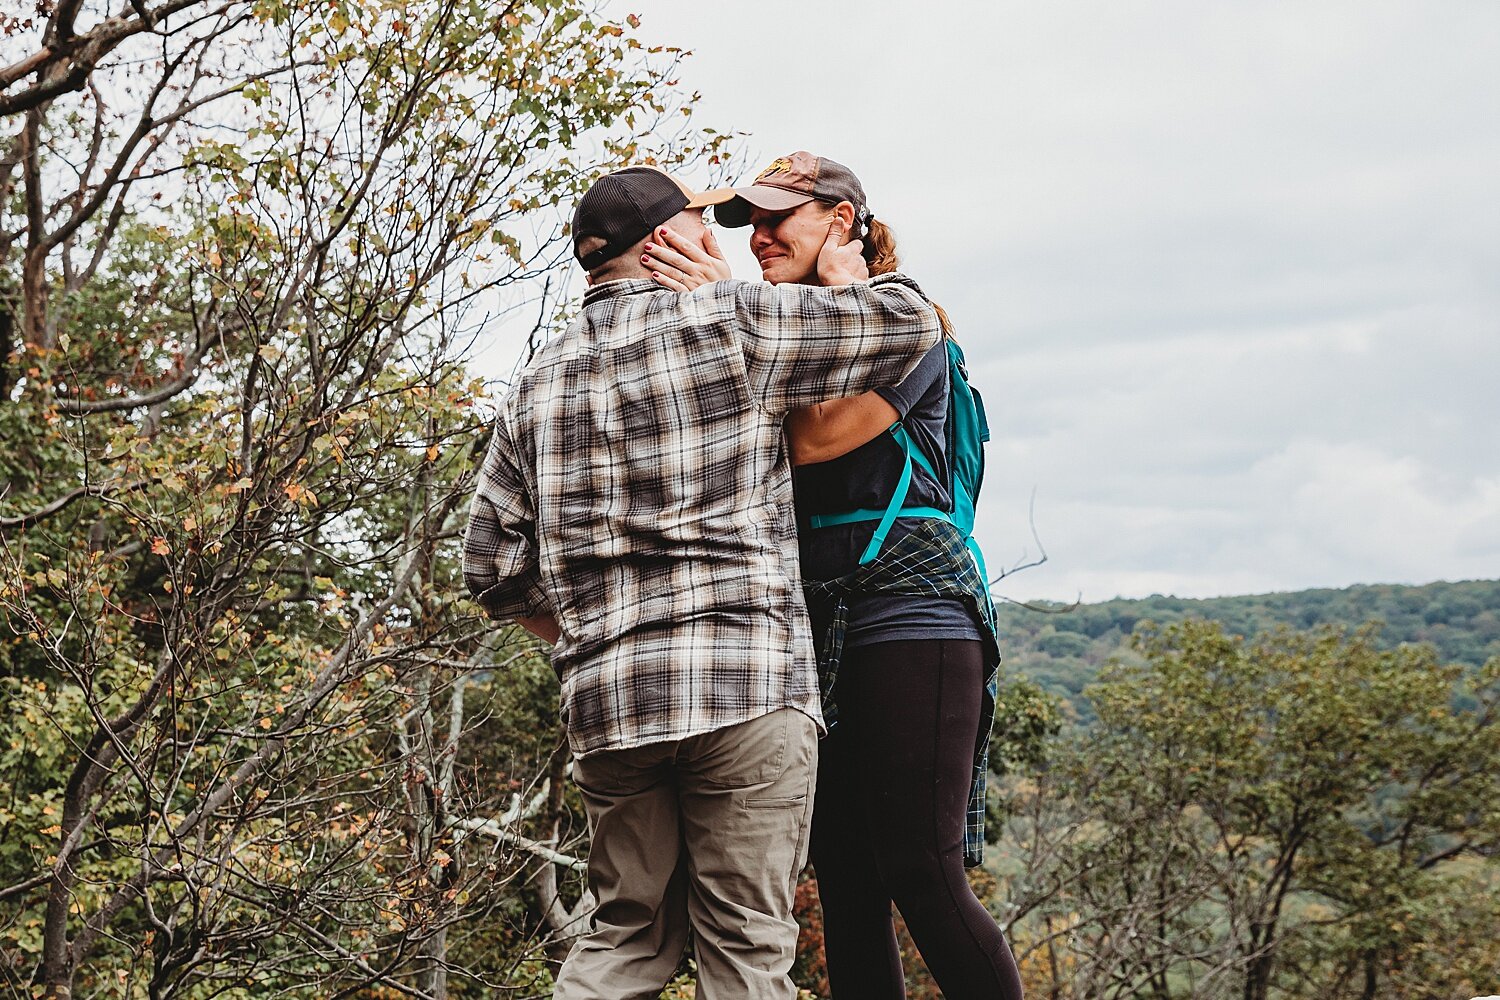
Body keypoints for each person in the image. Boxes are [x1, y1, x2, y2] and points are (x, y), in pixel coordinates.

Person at [461, 164, 945, 1000]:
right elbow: (911, 324)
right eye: (702, 225)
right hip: (745, 688)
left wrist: (586, 631)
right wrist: (841, 269)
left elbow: (490, 566)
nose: (719, 243)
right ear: (663, 245)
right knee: (747, 948)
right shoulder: (729, 318)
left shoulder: (534, 381)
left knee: (624, 939)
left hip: (610, 706)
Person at [644, 151, 1025, 1000]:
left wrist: (726, 306)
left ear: (841, 223)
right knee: (848, 882)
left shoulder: (905, 319)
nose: (761, 240)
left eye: (779, 219)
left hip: (911, 610)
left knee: (922, 870)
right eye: (750, 227)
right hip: (815, 625)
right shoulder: (784, 332)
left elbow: (813, 439)